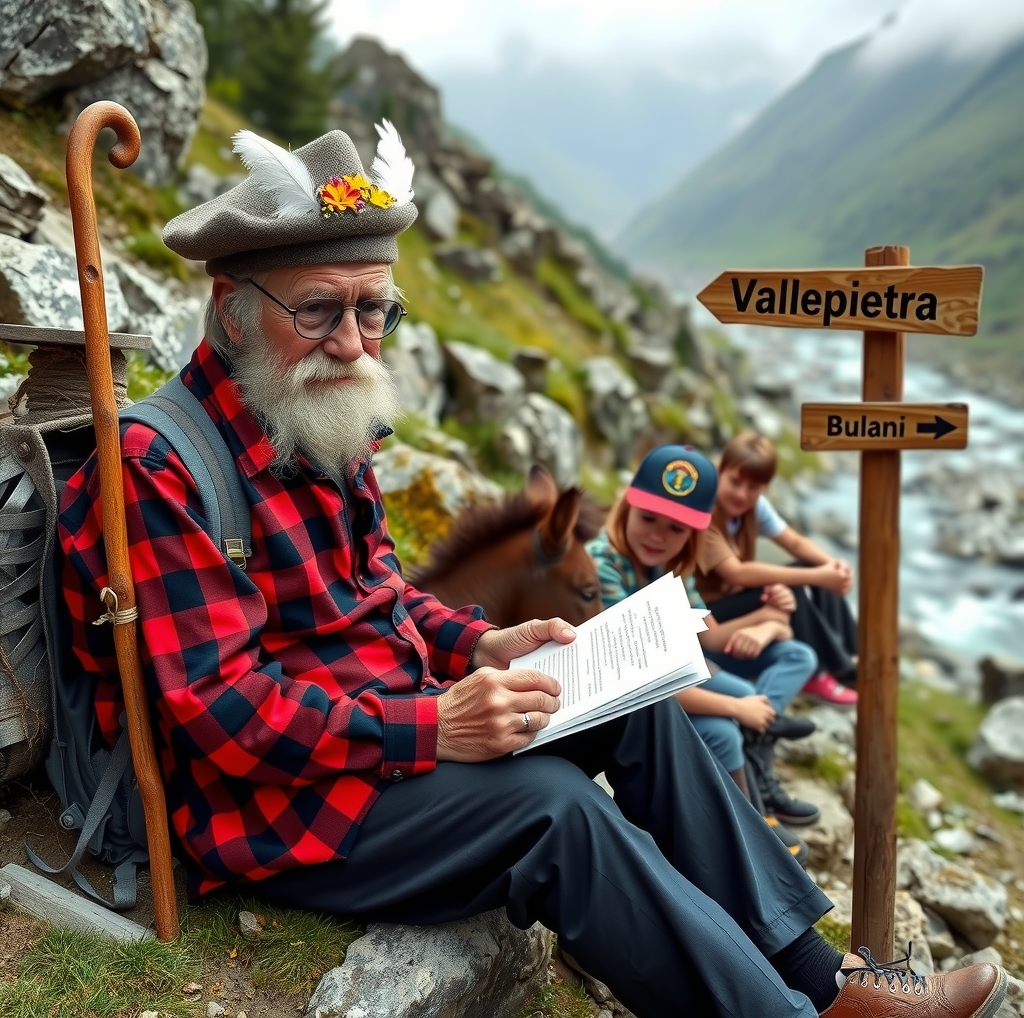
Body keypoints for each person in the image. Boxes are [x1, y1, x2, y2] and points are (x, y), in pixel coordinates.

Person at [58, 124, 1004, 1018]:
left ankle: (825, 980)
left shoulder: (318, 418)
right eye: (317, 309)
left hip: (381, 747)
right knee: (556, 814)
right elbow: (220, 714)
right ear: (232, 308)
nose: (350, 342)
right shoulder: (161, 468)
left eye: (372, 309)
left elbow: (380, 597)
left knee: (635, 701)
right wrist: (435, 726)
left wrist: (483, 641)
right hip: (272, 812)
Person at [586, 444, 821, 840]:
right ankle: (748, 825)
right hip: (622, 708)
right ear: (627, 507)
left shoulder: (670, 567)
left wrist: (769, 620)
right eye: (648, 518)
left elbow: (707, 637)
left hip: (666, 683)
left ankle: (750, 818)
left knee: (743, 700)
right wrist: (734, 707)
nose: (659, 537)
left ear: (693, 534)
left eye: (676, 528)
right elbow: (638, 684)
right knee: (730, 722)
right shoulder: (602, 568)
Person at [695, 432, 860, 708]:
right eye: (735, 482)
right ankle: (819, 673)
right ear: (720, 472)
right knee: (796, 582)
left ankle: (852, 657)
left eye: (753, 488)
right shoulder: (704, 513)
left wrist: (833, 567)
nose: (742, 494)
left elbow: (794, 541)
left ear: (764, 489)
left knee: (814, 567)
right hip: (708, 611)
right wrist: (818, 576)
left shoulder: (753, 506)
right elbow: (736, 573)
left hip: (732, 600)